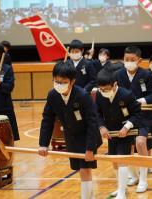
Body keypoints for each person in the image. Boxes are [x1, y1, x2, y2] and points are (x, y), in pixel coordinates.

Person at [38, 61, 102, 199]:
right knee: (80, 169)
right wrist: (43, 144)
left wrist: (90, 148)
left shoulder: (83, 96)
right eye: (56, 81)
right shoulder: (52, 95)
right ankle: (90, 196)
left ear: (72, 81)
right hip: (71, 136)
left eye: (63, 82)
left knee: (85, 169)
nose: (59, 85)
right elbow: (47, 120)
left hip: (87, 136)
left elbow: (92, 122)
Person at [115, 46, 152, 193]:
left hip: (143, 116)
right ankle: (133, 176)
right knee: (126, 148)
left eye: (132, 60)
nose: (129, 62)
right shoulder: (118, 75)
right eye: (126, 59)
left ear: (139, 60)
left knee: (140, 142)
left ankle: (144, 180)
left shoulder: (146, 75)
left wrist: (141, 100)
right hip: (124, 117)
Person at [96, 67, 142, 199]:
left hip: (126, 133)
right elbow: (97, 113)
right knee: (114, 161)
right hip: (111, 133)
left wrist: (127, 127)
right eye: (101, 89)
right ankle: (121, 187)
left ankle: (122, 192)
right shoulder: (99, 94)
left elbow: (137, 114)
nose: (103, 92)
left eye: (106, 89)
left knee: (121, 160)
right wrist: (101, 127)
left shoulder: (126, 95)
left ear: (115, 84)